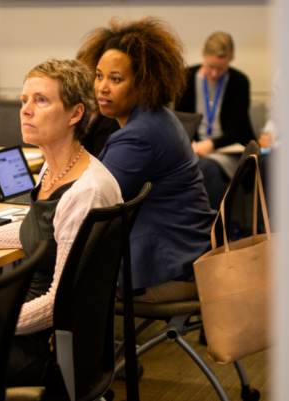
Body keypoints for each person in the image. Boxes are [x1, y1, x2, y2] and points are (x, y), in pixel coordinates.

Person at [0, 59, 122, 386]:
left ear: (75, 114)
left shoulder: (86, 191)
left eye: (41, 100)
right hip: (27, 323)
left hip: (44, 345)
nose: (26, 110)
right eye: (24, 100)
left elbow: (59, 304)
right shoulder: (54, 168)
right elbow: (36, 233)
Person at [77, 17, 217, 302]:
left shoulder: (139, 136)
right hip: (189, 251)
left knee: (64, 282)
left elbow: (89, 203)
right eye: (99, 75)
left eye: (115, 79)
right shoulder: (156, 118)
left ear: (144, 83)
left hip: (171, 267)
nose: (101, 87)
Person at [175, 32, 256, 211]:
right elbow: (181, 122)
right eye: (211, 66)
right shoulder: (185, 78)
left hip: (228, 150)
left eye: (221, 69)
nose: (214, 73)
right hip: (194, 148)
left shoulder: (239, 82)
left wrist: (212, 144)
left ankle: (215, 228)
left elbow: (238, 129)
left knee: (206, 169)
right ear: (203, 53)